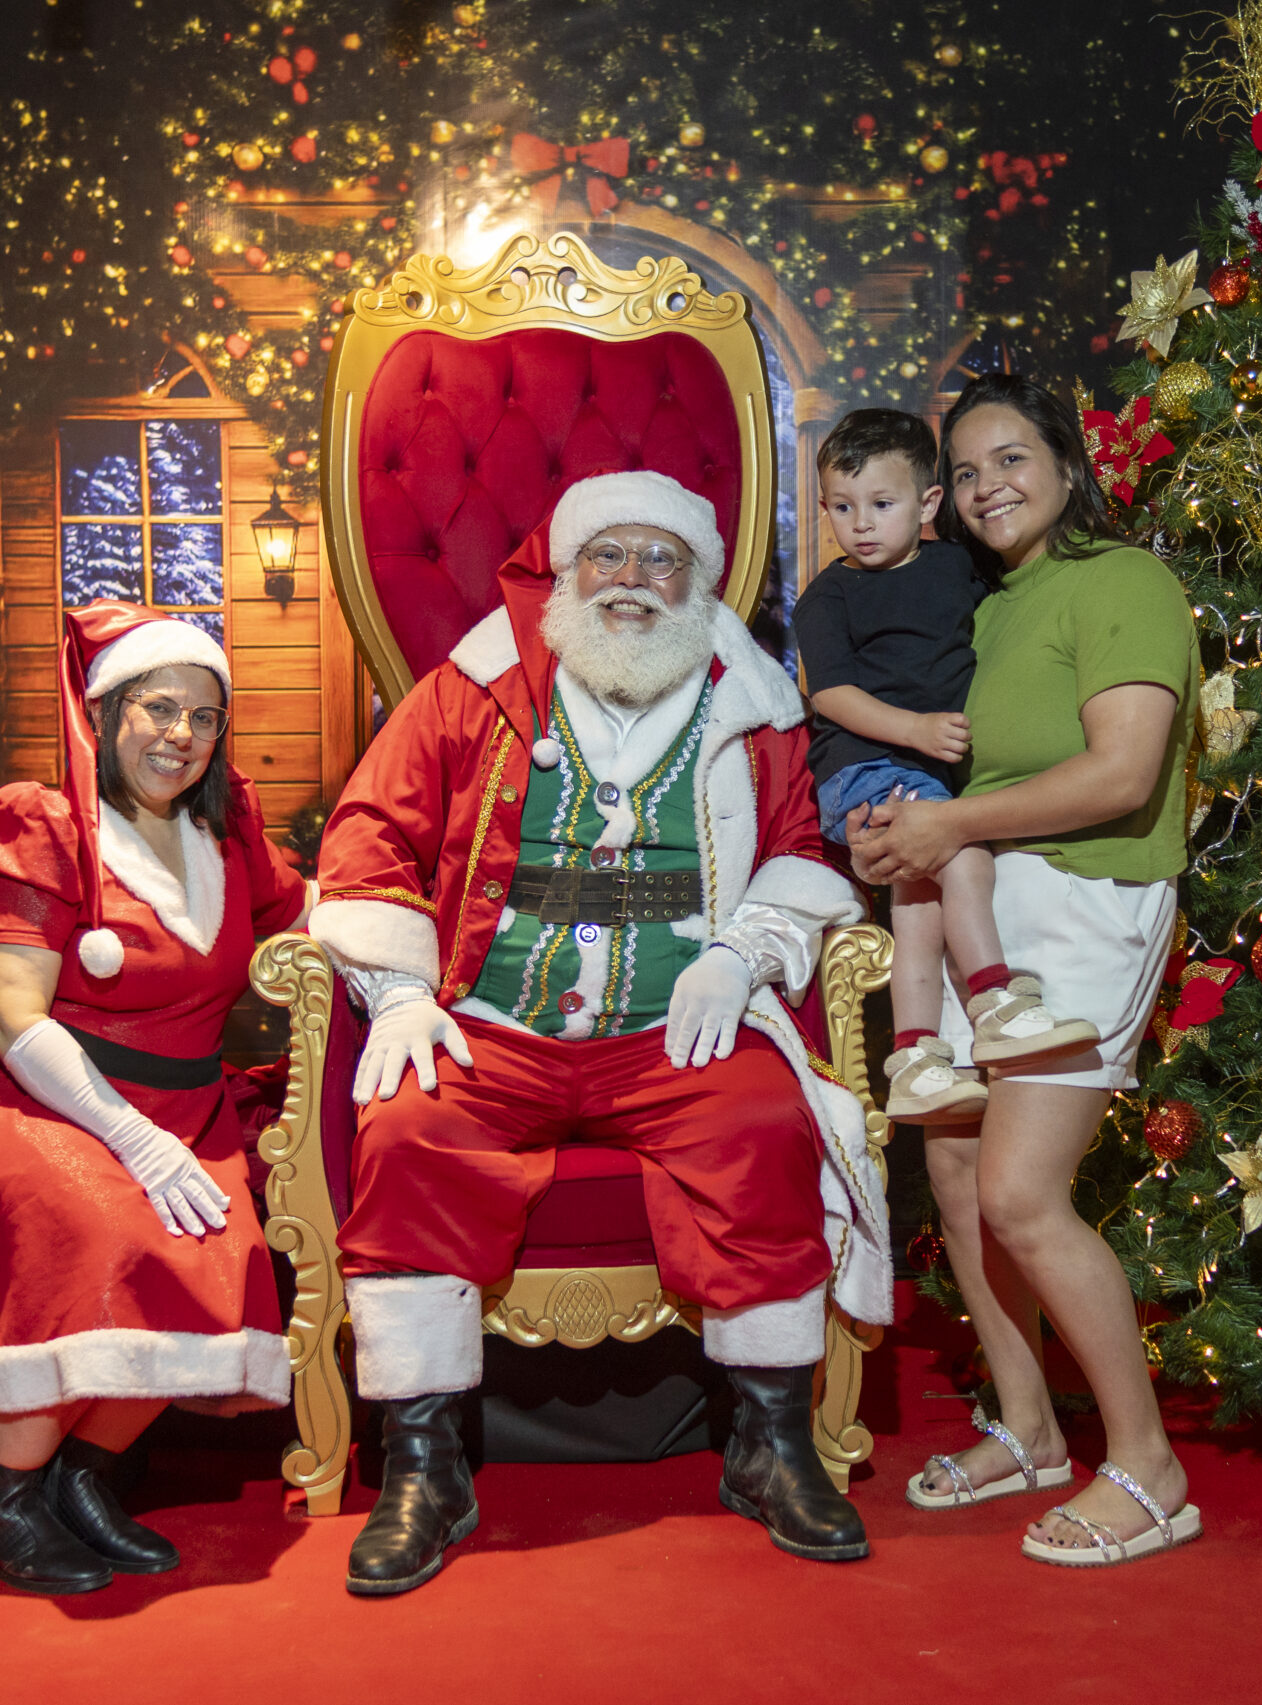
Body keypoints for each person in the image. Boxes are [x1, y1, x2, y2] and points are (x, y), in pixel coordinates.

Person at [312, 469, 886, 1596]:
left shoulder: (752, 703)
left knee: (764, 1123)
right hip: (494, 1023)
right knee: (410, 1132)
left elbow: (795, 850)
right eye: (607, 556)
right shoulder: (473, 688)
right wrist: (404, 991)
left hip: (674, 1034)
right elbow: (370, 831)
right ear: (565, 573)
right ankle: (424, 1467)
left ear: (697, 580)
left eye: (659, 559)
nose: (631, 581)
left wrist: (742, 953)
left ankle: (770, 1447)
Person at [0, 602, 310, 1597]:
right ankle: (3, 1500)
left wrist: (400, 932)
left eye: (203, 717)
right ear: (104, 712)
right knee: (98, 1233)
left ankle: (85, 1478)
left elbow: (305, 910)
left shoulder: (230, 830)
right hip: (36, 1096)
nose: (180, 734)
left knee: (220, 1253)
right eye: (157, 708)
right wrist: (131, 1140)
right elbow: (13, 1016)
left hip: (186, 1105)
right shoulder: (42, 825)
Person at [849, 372, 1202, 1566]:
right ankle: (1031, 1428)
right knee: (954, 1178)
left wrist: (949, 827)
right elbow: (966, 781)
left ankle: (1149, 1468)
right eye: (963, 472)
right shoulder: (991, 607)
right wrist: (902, 832)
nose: (985, 486)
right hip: (988, 908)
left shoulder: (1123, 582)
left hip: (1089, 901)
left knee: (1019, 1195)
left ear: (1065, 463)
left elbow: (1123, 775)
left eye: (1009, 458)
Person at [793, 408, 1099, 1124]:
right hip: (865, 763)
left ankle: (915, 1058)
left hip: (923, 771)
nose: (861, 525)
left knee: (919, 908)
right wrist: (916, 729)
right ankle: (994, 1001)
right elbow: (831, 693)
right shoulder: (827, 597)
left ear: (928, 503)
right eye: (843, 507)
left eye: (881, 504)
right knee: (963, 858)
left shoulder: (956, 567)